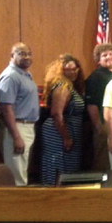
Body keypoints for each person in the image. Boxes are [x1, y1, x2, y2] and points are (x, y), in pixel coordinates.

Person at [40, 54, 85, 186]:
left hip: (67, 132)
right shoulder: (62, 86)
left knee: (69, 171)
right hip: (58, 133)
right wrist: (67, 137)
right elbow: (56, 114)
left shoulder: (71, 86)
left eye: (75, 69)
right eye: (68, 69)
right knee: (59, 170)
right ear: (61, 71)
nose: (72, 72)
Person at [0, 42, 39, 186]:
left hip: (27, 127)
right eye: (21, 53)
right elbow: (6, 108)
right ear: (12, 56)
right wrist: (16, 137)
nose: (26, 57)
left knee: (22, 171)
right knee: (17, 176)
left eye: (29, 53)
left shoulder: (26, 74)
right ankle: (18, 208)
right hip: (17, 128)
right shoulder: (11, 77)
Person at [85, 43, 112, 171]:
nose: (108, 57)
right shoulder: (94, 78)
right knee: (103, 162)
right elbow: (92, 105)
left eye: (111, 54)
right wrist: (98, 126)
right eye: (104, 55)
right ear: (98, 60)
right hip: (104, 126)